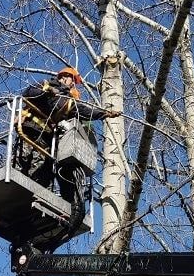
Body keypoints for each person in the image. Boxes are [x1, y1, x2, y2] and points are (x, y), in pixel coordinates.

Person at [16, 66, 119, 224]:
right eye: (69, 78)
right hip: (31, 130)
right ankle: (20, 194)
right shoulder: (46, 85)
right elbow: (28, 93)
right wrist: (47, 91)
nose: (70, 82)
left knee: (44, 170)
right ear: (63, 77)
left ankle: (39, 199)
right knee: (25, 165)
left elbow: (80, 110)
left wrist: (103, 113)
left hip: (48, 137)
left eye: (72, 80)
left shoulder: (67, 99)